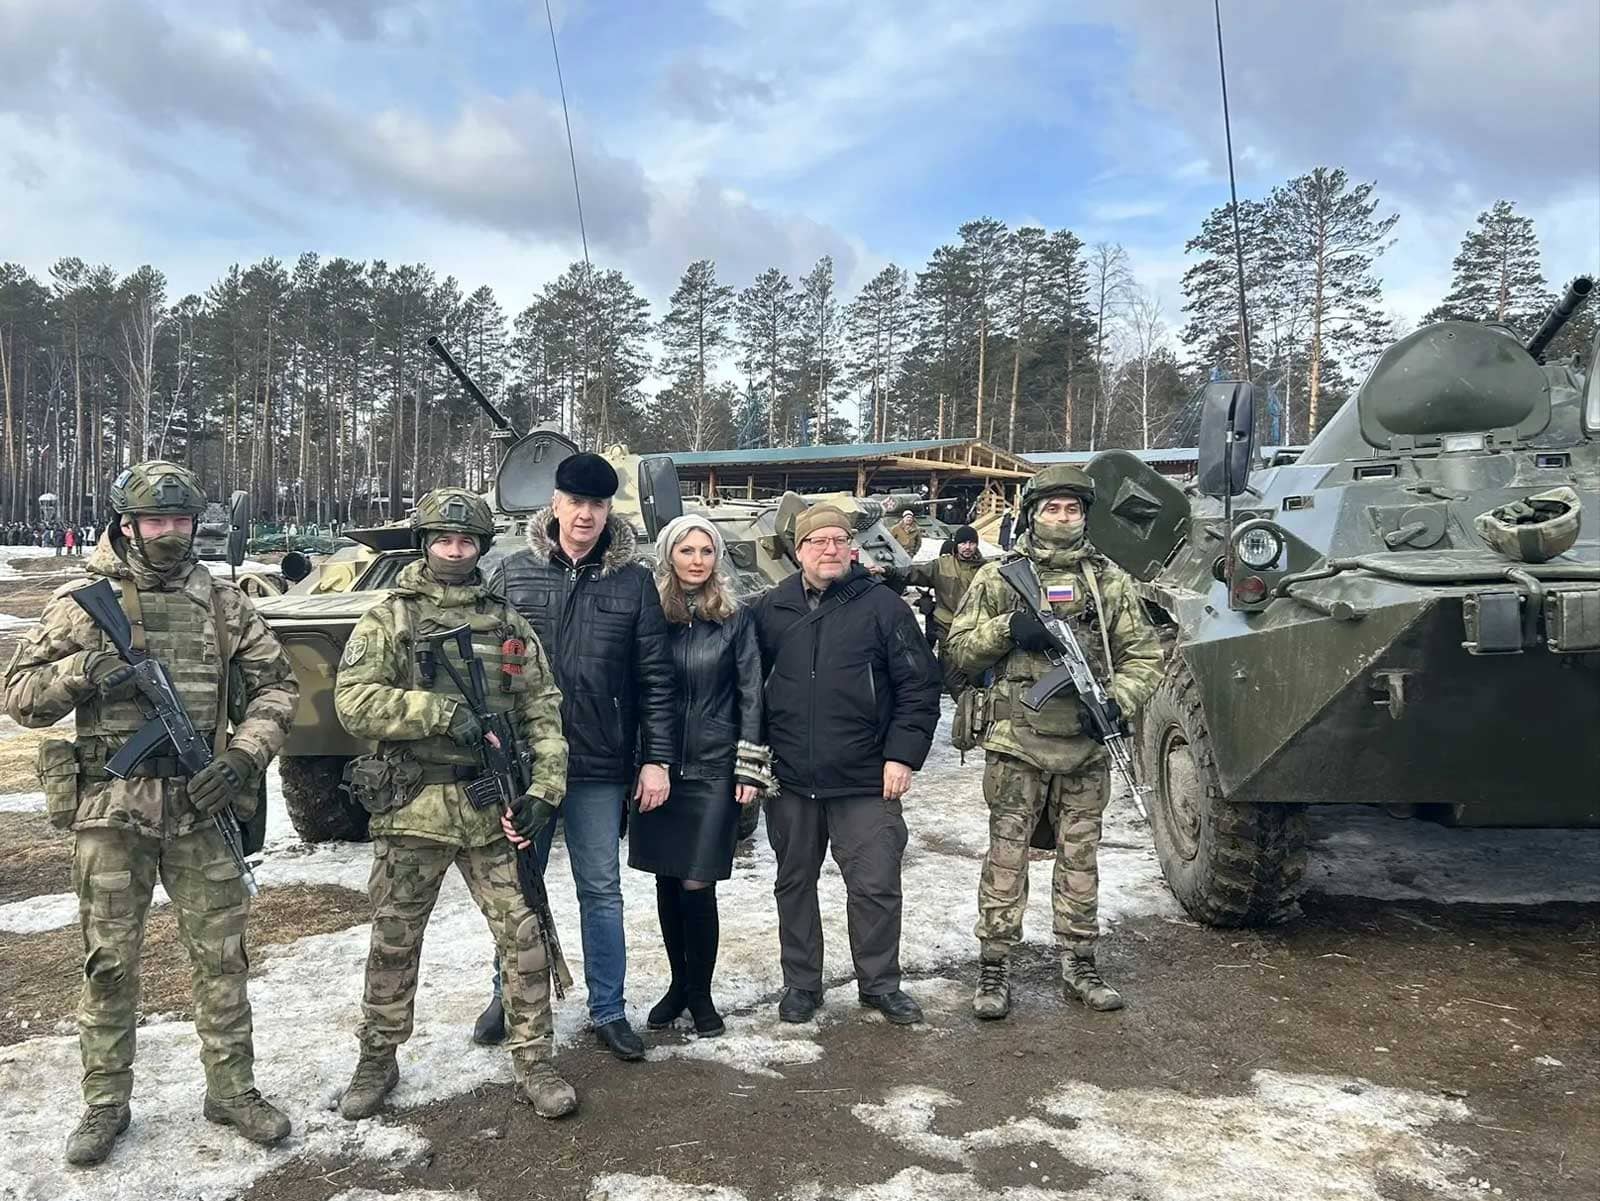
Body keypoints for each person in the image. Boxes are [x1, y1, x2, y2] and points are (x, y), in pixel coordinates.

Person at [3, 461, 299, 1166]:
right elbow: (20, 696)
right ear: (127, 524)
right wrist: (82, 671)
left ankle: (231, 1089)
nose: (170, 533)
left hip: (202, 805)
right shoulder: (84, 602)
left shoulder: (224, 603)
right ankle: (105, 1101)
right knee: (109, 963)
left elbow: (278, 688)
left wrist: (243, 757)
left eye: (181, 520)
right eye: (155, 520)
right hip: (112, 811)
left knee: (222, 958)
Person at [332, 488, 576, 1119]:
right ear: (425, 543)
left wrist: (545, 789)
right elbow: (353, 701)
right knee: (394, 938)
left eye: (467, 541)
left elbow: (542, 709)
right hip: (413, 806)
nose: (455, 550)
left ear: (482, 547)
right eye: (444, 539)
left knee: (523, 934)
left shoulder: (507, 623)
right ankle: (377, 1058)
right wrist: (438, 713)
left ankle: (535, 1059)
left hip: (493, 808)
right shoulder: (392, 618)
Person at [945, 465, 1162, 1019]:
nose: (1062, 518)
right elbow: (959, 651)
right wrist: (1009, 630)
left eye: (1072, 509)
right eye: (1052, 508)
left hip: (1084, 747)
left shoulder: (1109, 581)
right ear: (1033, 514)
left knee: (1080, 859)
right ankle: (994, 965)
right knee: (1006, 858)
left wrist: (1116, 702)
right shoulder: (999, 578)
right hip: (1016, 743)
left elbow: (1144, 656)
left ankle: (1079, 961)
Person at [482, 452, 677, 1060]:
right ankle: (509, 996)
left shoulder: (633, 581)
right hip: (525, 764)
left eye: (596, 504)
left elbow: (656, 678)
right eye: (575, 502)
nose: (585, 514)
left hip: (599, 760)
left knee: (601, 889)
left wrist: (656, 759)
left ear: (607, 510)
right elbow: (485, 666)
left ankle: (608, 1008)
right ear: (556, 504)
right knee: (518, 886)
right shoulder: (513, 573)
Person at [750, 504, 942, 1026]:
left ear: (852, 548)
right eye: (818, 541)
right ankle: (801, 984)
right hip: (791, 775)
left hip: (865, 774)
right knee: (794, 883)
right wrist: (755, 759)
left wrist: (901, 755)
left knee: (875, 884)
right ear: (799, 550)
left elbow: (919, 685)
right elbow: (749, 688)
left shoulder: (883, 606)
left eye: (839, 540)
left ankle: (879, 983)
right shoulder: (772, 608)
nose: (830, 549)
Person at [629, 514, 772, 1037]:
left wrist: (749, 766)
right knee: (668, 877)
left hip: (713, 765)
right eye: (686, 550)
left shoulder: (735, 617)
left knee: (698, 879)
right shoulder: (650, 613)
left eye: (706, 551)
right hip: (659, 764)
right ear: (669, 555)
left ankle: (701, 993)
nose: (696, 560)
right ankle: (677, 984)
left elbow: (752, 692)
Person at [871, 524, 985, 696]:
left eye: (971, 543)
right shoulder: (942, 565)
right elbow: (914, 573)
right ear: (956, 545)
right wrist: (887, 570)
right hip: (948, 628)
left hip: (976, 629)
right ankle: (969, 706)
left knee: (976, 677)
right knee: (952, 680)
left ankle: (975, 709)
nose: (967, 547)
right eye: (963, 543)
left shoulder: (985, 569)